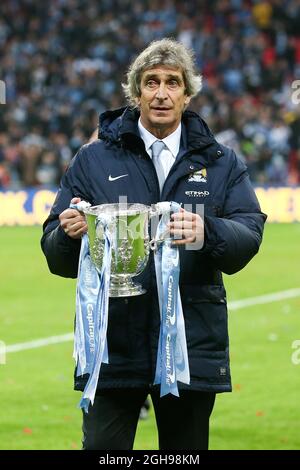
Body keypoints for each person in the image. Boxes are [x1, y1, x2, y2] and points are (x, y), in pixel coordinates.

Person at [41, 38, 266, 450]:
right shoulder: (92, 160)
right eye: (151, 83)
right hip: (114, 348)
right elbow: (55, 253)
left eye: (172, 83)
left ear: (187, 93)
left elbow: (249, 235)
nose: (161, 93)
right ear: (136, 91)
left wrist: (208, 231)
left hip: (191, 346)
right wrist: (67, 233)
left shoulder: (220, 162)